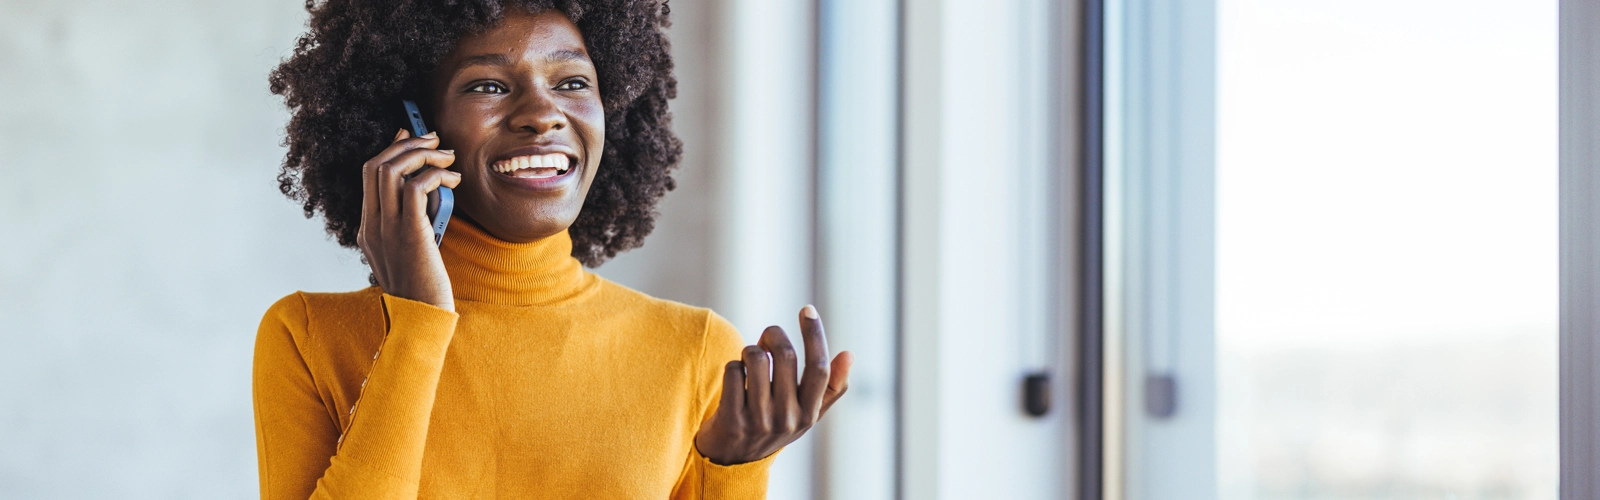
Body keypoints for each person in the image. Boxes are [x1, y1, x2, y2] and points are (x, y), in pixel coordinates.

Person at [253, 1, 852, 498]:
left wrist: (732, 471)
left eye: (571, 83)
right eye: (488, 85)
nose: (543, 115)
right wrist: (417, 327)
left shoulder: (697, 352)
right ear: (410, 129)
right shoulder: (309, 337)